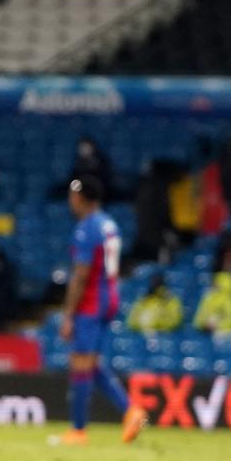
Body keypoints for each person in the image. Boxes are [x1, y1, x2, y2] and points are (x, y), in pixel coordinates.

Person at [57, 176, 147, 446]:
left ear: (81, 197)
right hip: (109, 296)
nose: (70, 200)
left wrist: (69, 314)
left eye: (73, 194)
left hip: (92, 300)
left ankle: (78, 430)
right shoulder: (108, 224)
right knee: (91, 363)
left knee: (80, 363)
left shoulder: (87, 228)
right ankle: (131, 410)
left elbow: (81, 275)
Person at [193, 271, 231, 338]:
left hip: (226, 333)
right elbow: (198, 319)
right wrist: (204, 324)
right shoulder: (208, 297)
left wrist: (218, 326)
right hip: (206, 331)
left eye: (216, 283)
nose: (214, 286)